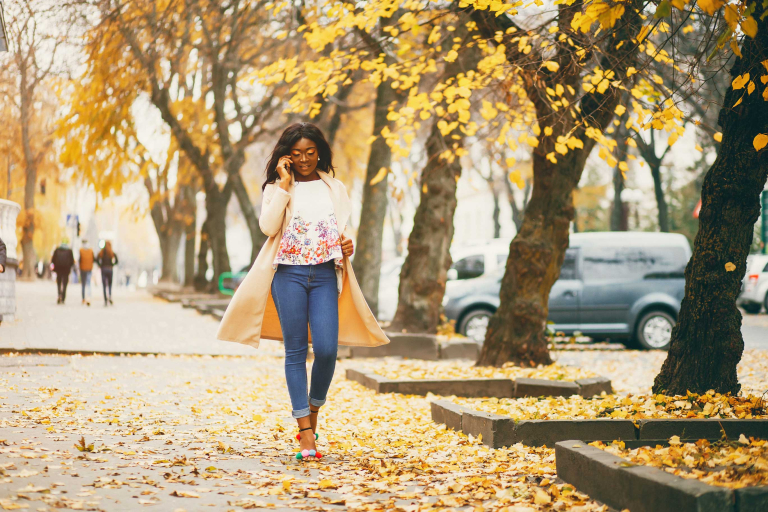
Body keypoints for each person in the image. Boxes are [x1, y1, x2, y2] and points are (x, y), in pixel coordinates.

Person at [216, 123, 390, 461]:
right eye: (297, 154)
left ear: (320, 152)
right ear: (286, 157)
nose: (305, 159)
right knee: (296, 352)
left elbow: (341, 229)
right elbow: (268, 227)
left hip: (326, 274)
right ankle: (306, 435)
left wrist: (347, 243)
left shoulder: (334, 187)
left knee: (326, 350)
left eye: (311, 153)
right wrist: (282, 184)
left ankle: (312, 412)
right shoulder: (277, 188)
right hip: (288, 275)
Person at [51, 240, 75, 304]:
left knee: (59, 283)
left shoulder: (57, 250)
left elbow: (53, 260)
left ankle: (59, 294)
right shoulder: (69, 251)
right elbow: (72, 261)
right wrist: (69, 266)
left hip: (58, 269)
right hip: (66, 270)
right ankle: (63, 297)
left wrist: (56, 266)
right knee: (65, 284)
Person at [96, 241, 118, 306]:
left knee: (104, 285)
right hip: (110, 269)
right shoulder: (111, 252)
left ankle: (105, 300)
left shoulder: (101, 252)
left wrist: (100, 265)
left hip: (103, 269)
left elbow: (97, 259)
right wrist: (112, 264)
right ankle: (110, 296)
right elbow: (117, 260)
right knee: (110, 284)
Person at [79, 239, 94, 306]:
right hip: (89, 269)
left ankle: (83, 298)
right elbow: (93, 259)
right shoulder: (91, 250)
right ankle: (88, 297)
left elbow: (79, 260)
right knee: (88, 283)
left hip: (82, 269)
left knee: (83, 284)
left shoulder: (81, 250)